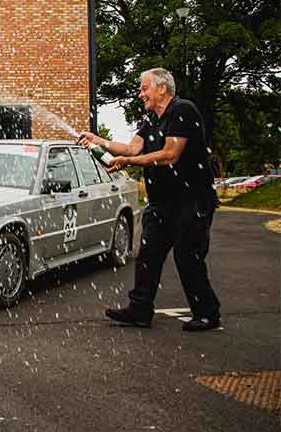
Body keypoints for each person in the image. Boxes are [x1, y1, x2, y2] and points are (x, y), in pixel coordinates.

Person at [79, 68, 221, 332]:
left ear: (162, 88)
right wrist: (98, 140)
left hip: (192, 200)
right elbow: (133, 148)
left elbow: (170, 155)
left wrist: (128, 162)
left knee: (187, 256)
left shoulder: (182, 110)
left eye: (145, 88)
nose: (140, 93)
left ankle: (207, 313)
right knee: (148, 255)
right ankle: (140, 310)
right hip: (161, 203)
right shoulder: (151, 118)